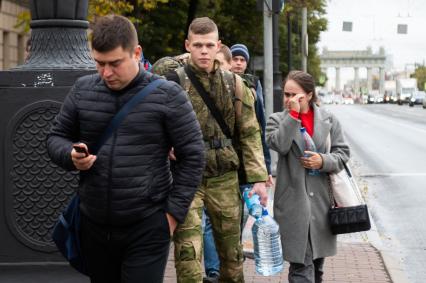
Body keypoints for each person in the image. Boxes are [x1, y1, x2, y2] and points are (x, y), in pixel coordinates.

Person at [47, 15, 205, 283]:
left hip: (147, 226)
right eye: (99, 63)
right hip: (93, 225)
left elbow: (193, 156)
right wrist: (71, 156)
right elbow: (56, 137)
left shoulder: (168, 95)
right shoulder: (82, 89)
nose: (106, 72)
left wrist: (171, 216)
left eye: (115, 63)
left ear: (136, 53)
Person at [154, 17, 268, 283]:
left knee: (232, 255)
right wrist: (165, 142)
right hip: (186, 180)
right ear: (187, 46)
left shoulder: (235, 85)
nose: (204, 51)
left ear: (218, 46)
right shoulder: (173, 82)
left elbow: (250, 133)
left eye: (208, 45)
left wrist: (259, 180)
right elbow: (153, 121)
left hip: (224, 178)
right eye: (197, 45)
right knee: (187, 254)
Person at [265, 70, 350, 283]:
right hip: (293, 204)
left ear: (309, 95)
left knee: (317, 267)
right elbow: (280, 145)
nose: (289, 99)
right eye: (286, 94)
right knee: (301, 267)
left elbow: (342, 154)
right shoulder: (276, 120)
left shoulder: (329, 120)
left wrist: (323, 161)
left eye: (295, 95)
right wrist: (293, 116)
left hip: (322, 204)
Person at [230, 43, 273, 188]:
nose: (238, 63)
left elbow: (261, 122)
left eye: (242, 60)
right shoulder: (221, 81)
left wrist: (265, 167)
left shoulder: (253, 83)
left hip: (249, 149)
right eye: (235, 58)